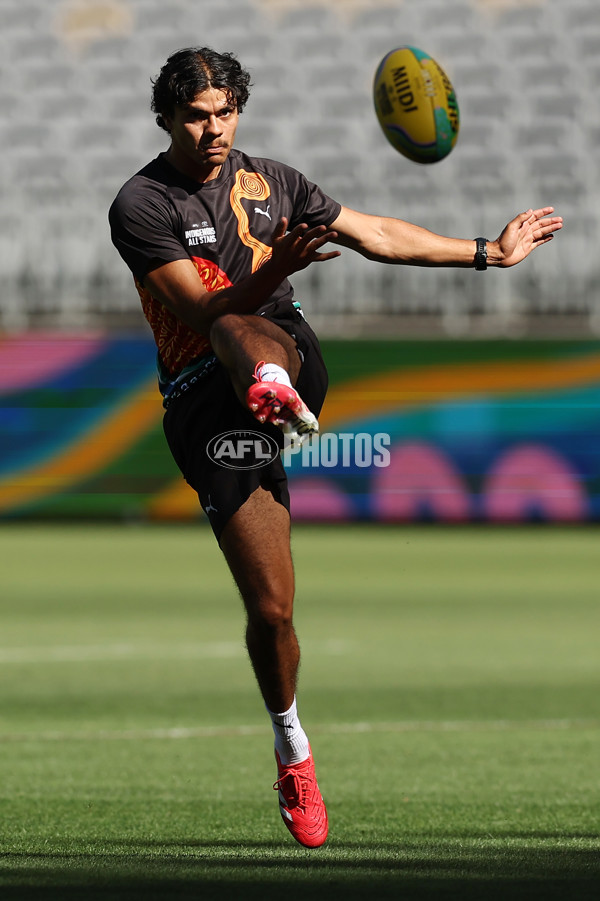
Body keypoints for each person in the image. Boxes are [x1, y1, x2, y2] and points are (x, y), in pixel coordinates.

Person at [109, 46, 562, 849]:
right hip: (203, 402)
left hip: (284, 355)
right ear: (166, 119)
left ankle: (273, 386)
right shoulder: (141, 203)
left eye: (225, 111)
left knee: (259, 328)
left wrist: (488, 252)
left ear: (238, 109)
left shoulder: (275, 181)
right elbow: (204, 310)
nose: (213, 128)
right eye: (195, 115)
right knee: (272, 609)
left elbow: (375, 232)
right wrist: (274, 264)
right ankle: (292, 743)